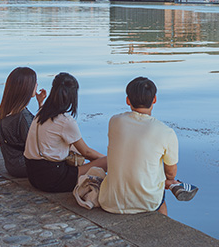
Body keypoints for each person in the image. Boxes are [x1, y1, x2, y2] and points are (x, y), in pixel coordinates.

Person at [99, 76, 197, 216]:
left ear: (128, 100)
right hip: (147, 203)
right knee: (161, 197)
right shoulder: (166, 132)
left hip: (110, 202)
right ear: (155, 99)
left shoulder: (115, 121)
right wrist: (169, 180)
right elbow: (171, 172)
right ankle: (163, 225)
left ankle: (169, 185)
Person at [23, 72, 107, 192]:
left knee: (73, 145)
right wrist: (105, 160)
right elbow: (86, 152)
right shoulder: (65, 121)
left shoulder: (41, 113)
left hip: (33, 175)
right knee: (108, 161)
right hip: (53, 179)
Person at [0, 67, 47, 178]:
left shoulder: (7, 111)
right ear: (27, 87)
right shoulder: (22, 117)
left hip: (12, 165)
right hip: (25, 167)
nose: (37, 85)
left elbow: (35, 127)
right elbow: (38, 143)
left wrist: (41, 104)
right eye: (35, 82)